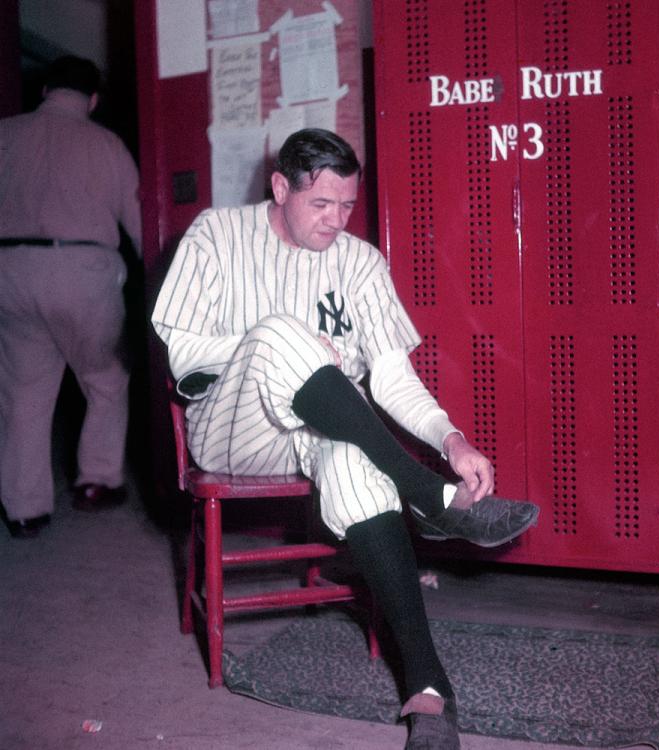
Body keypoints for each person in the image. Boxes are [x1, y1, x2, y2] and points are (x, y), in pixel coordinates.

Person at [152, 128, 538, 749]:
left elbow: (390, 376)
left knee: (357, 464)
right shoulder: (216, 235)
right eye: (320, 205)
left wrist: (452, 441)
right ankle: (423, 495)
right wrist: (290, 347)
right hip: (233, 427)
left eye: (347, 206)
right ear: (281, 188)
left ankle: (430, 690)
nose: (336, 221)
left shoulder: (358, 262)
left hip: (322, 426)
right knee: (283, 332)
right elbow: (186, 354)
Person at [0, 56, 142, 538]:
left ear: (44, 90)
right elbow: (139, 226)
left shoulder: (6, 134)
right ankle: (96, 482)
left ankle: (24, 509)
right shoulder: (107, 145)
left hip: (11, 269)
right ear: (93, 99)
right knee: (105, 379)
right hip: (84, 272)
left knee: (23, 393)